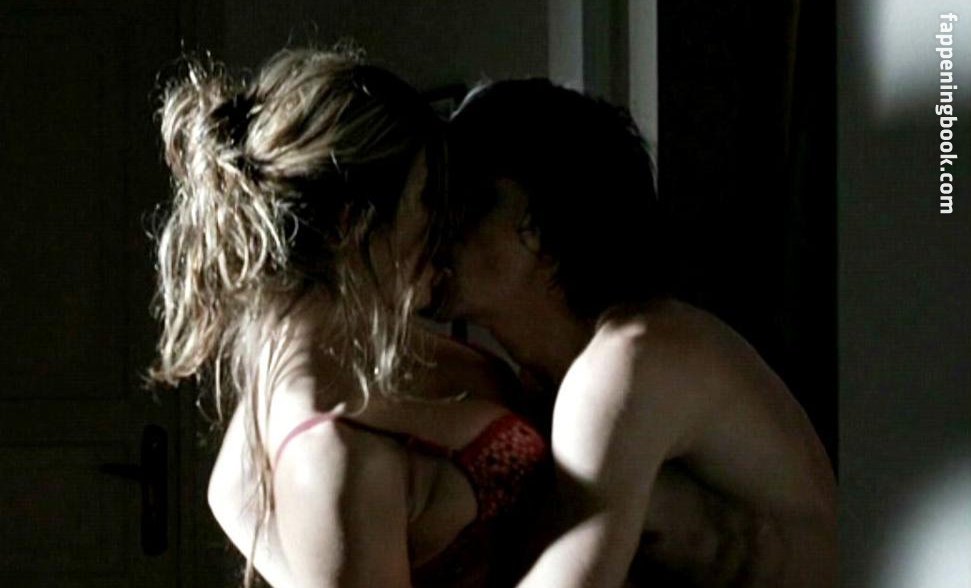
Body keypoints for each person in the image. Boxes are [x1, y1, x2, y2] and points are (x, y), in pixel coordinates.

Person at [149, 48, 551, 588]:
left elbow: (230, 490)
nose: (442, 223)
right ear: (350, 223)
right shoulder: (329, 450)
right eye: (425, 199)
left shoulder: (310, 354)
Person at [428, 79, 838, 587]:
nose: (435, 228)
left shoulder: (631, 362)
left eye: (463, 201)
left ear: (536, 226)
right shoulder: (546, 378)